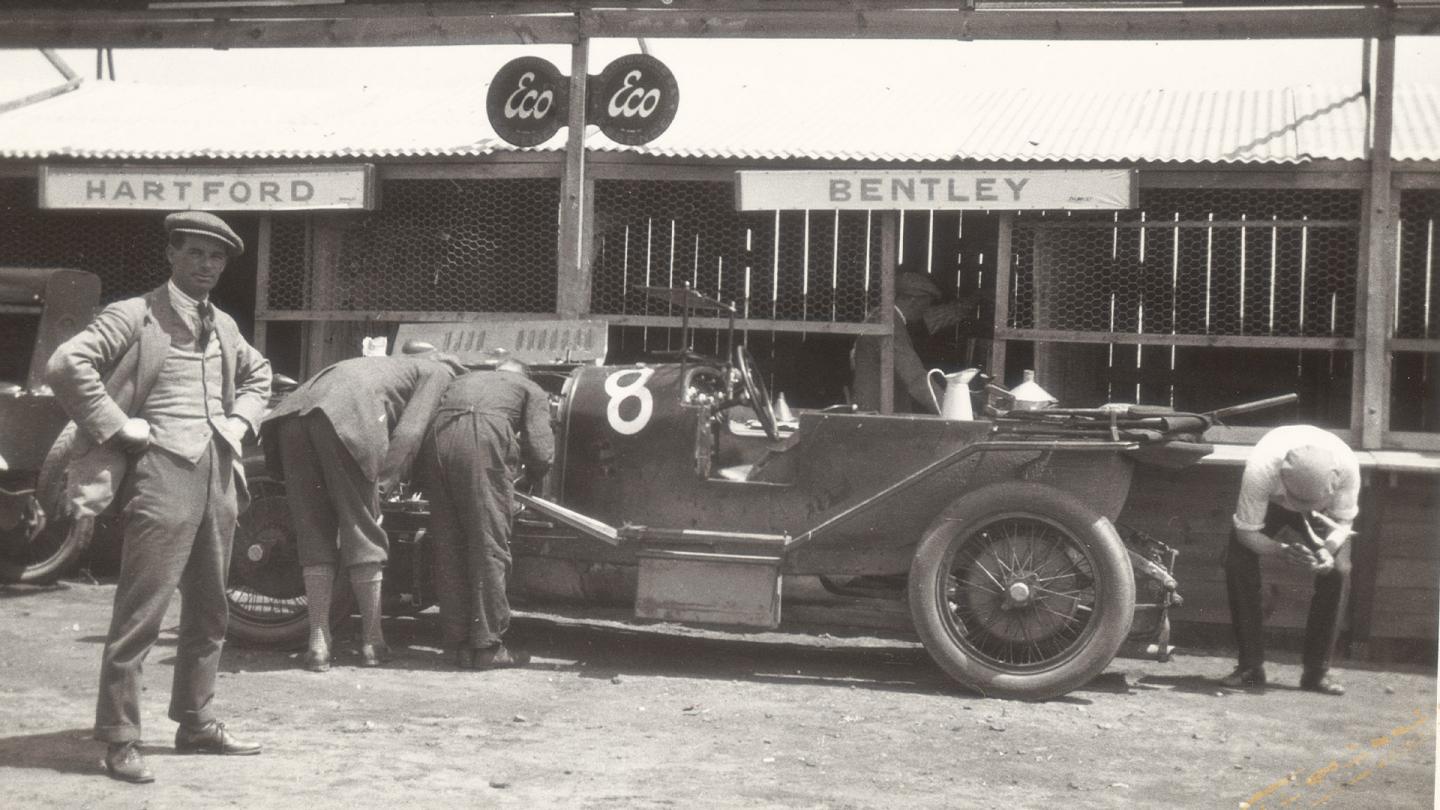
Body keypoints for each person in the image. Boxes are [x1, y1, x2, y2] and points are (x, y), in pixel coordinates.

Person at [47, 211, 272, 783]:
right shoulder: (134, 314)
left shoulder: (222, 324)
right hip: (160, 474)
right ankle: (121, 737)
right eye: (195, 253)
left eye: (216, 257)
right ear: (171, 255)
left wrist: (240, 424)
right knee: (141, 612)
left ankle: (196, 722)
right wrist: (119, 426)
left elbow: (259, 375)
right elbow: (67, 362)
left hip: (218, 473)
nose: (206, 266)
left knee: (211, 608)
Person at [260, 351, 460, 672]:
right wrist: (383, 486)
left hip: (291, 415)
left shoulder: (390, 365)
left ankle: (318, 642)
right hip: (345, 417)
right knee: (362, 530)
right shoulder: (440, 372)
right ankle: (372, 641)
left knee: (312, 533)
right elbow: (410, 432)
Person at [417, 359, 554, 670]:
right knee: (488, 547)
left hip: (436, 443)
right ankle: (487, 646)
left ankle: (456, 646)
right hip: (481, 442)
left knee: (448, 547)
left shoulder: (464, 380)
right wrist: (532, 476)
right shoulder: (530, 388)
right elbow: (542, 451)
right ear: (522, 373)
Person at [1221, 424, 1361, 696]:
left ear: (1331, 486)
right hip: (1272, 503)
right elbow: (1245, 534)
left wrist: (1327, 550)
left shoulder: (1347, 469)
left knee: (1339, 571)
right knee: (1236, 562)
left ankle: (1317, 672)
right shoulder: (1261, 468)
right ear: (1283, 479)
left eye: (1307, 504)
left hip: (1325, 514)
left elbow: (1344, 523)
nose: (1299, 510)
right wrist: (1280, 550)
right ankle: (1250, 667)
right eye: (1296, 500)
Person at [850, 271, 942, 414]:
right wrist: (949, 406)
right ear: (914, 300)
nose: (926, 310)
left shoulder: (880, 315)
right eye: (927, 303)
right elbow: (914, 377)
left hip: (871, 407)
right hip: (876, 412)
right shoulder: (890, 323)